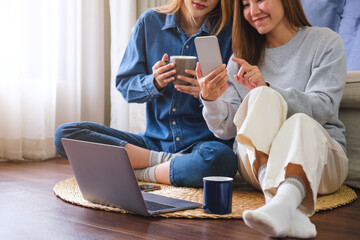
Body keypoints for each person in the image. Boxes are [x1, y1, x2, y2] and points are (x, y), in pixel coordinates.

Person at [197, 0, 348, 238]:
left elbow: (324, 107)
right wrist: (210, 99)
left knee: (297, 120)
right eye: (245, 4)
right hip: (259, 166)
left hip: (321, 162)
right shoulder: (241, 58)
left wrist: (267, 87)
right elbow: (227, 130)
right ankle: (285, 205)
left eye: (260, 0)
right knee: (261, 97)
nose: (253, 11)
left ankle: (281, 204)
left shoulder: (325, 42)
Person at [54, 0, 237, 187]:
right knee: (65, 135)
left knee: (223, 159)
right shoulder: (150, 22)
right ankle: (167, 166)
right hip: (152, 143)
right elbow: (125, 85)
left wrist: (207, 95)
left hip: (202, 147)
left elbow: (235, 101)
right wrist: (154, 82)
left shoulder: (231, 32)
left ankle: (141, 171)